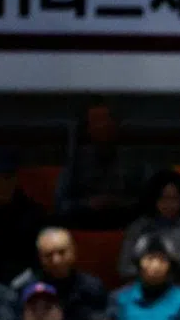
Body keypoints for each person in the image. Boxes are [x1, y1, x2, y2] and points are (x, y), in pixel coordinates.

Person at [55, 99, 146, 231]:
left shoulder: (132, 159)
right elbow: (61, 204)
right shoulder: (76, 161)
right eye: (96, 122)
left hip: (125, 226)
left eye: (106, 120)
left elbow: (148, 202)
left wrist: (118, 202)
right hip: (84, 226)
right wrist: (88, 204)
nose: (102, 126)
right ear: (88, 128)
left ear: (115, 124)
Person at [11, 227, 108, 320]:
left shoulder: (91, 287)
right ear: (40, 257)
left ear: (73, 251)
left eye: (62, 252)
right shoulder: (25, 287)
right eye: (48, 255)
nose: (56, 260)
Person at [119, 170, 180, 286]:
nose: (169, 205)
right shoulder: (139, 227)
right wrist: (153, 272)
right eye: (163, 199)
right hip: (146, 286)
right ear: (153, 200)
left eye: (174, 199)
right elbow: (124, 268)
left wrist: (172, 256)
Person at [0, 148, 45, 285]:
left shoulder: (34, 213)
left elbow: (38, 260)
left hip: (23, 284)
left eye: (7, 176)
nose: (2, 182)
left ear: (16, 178)